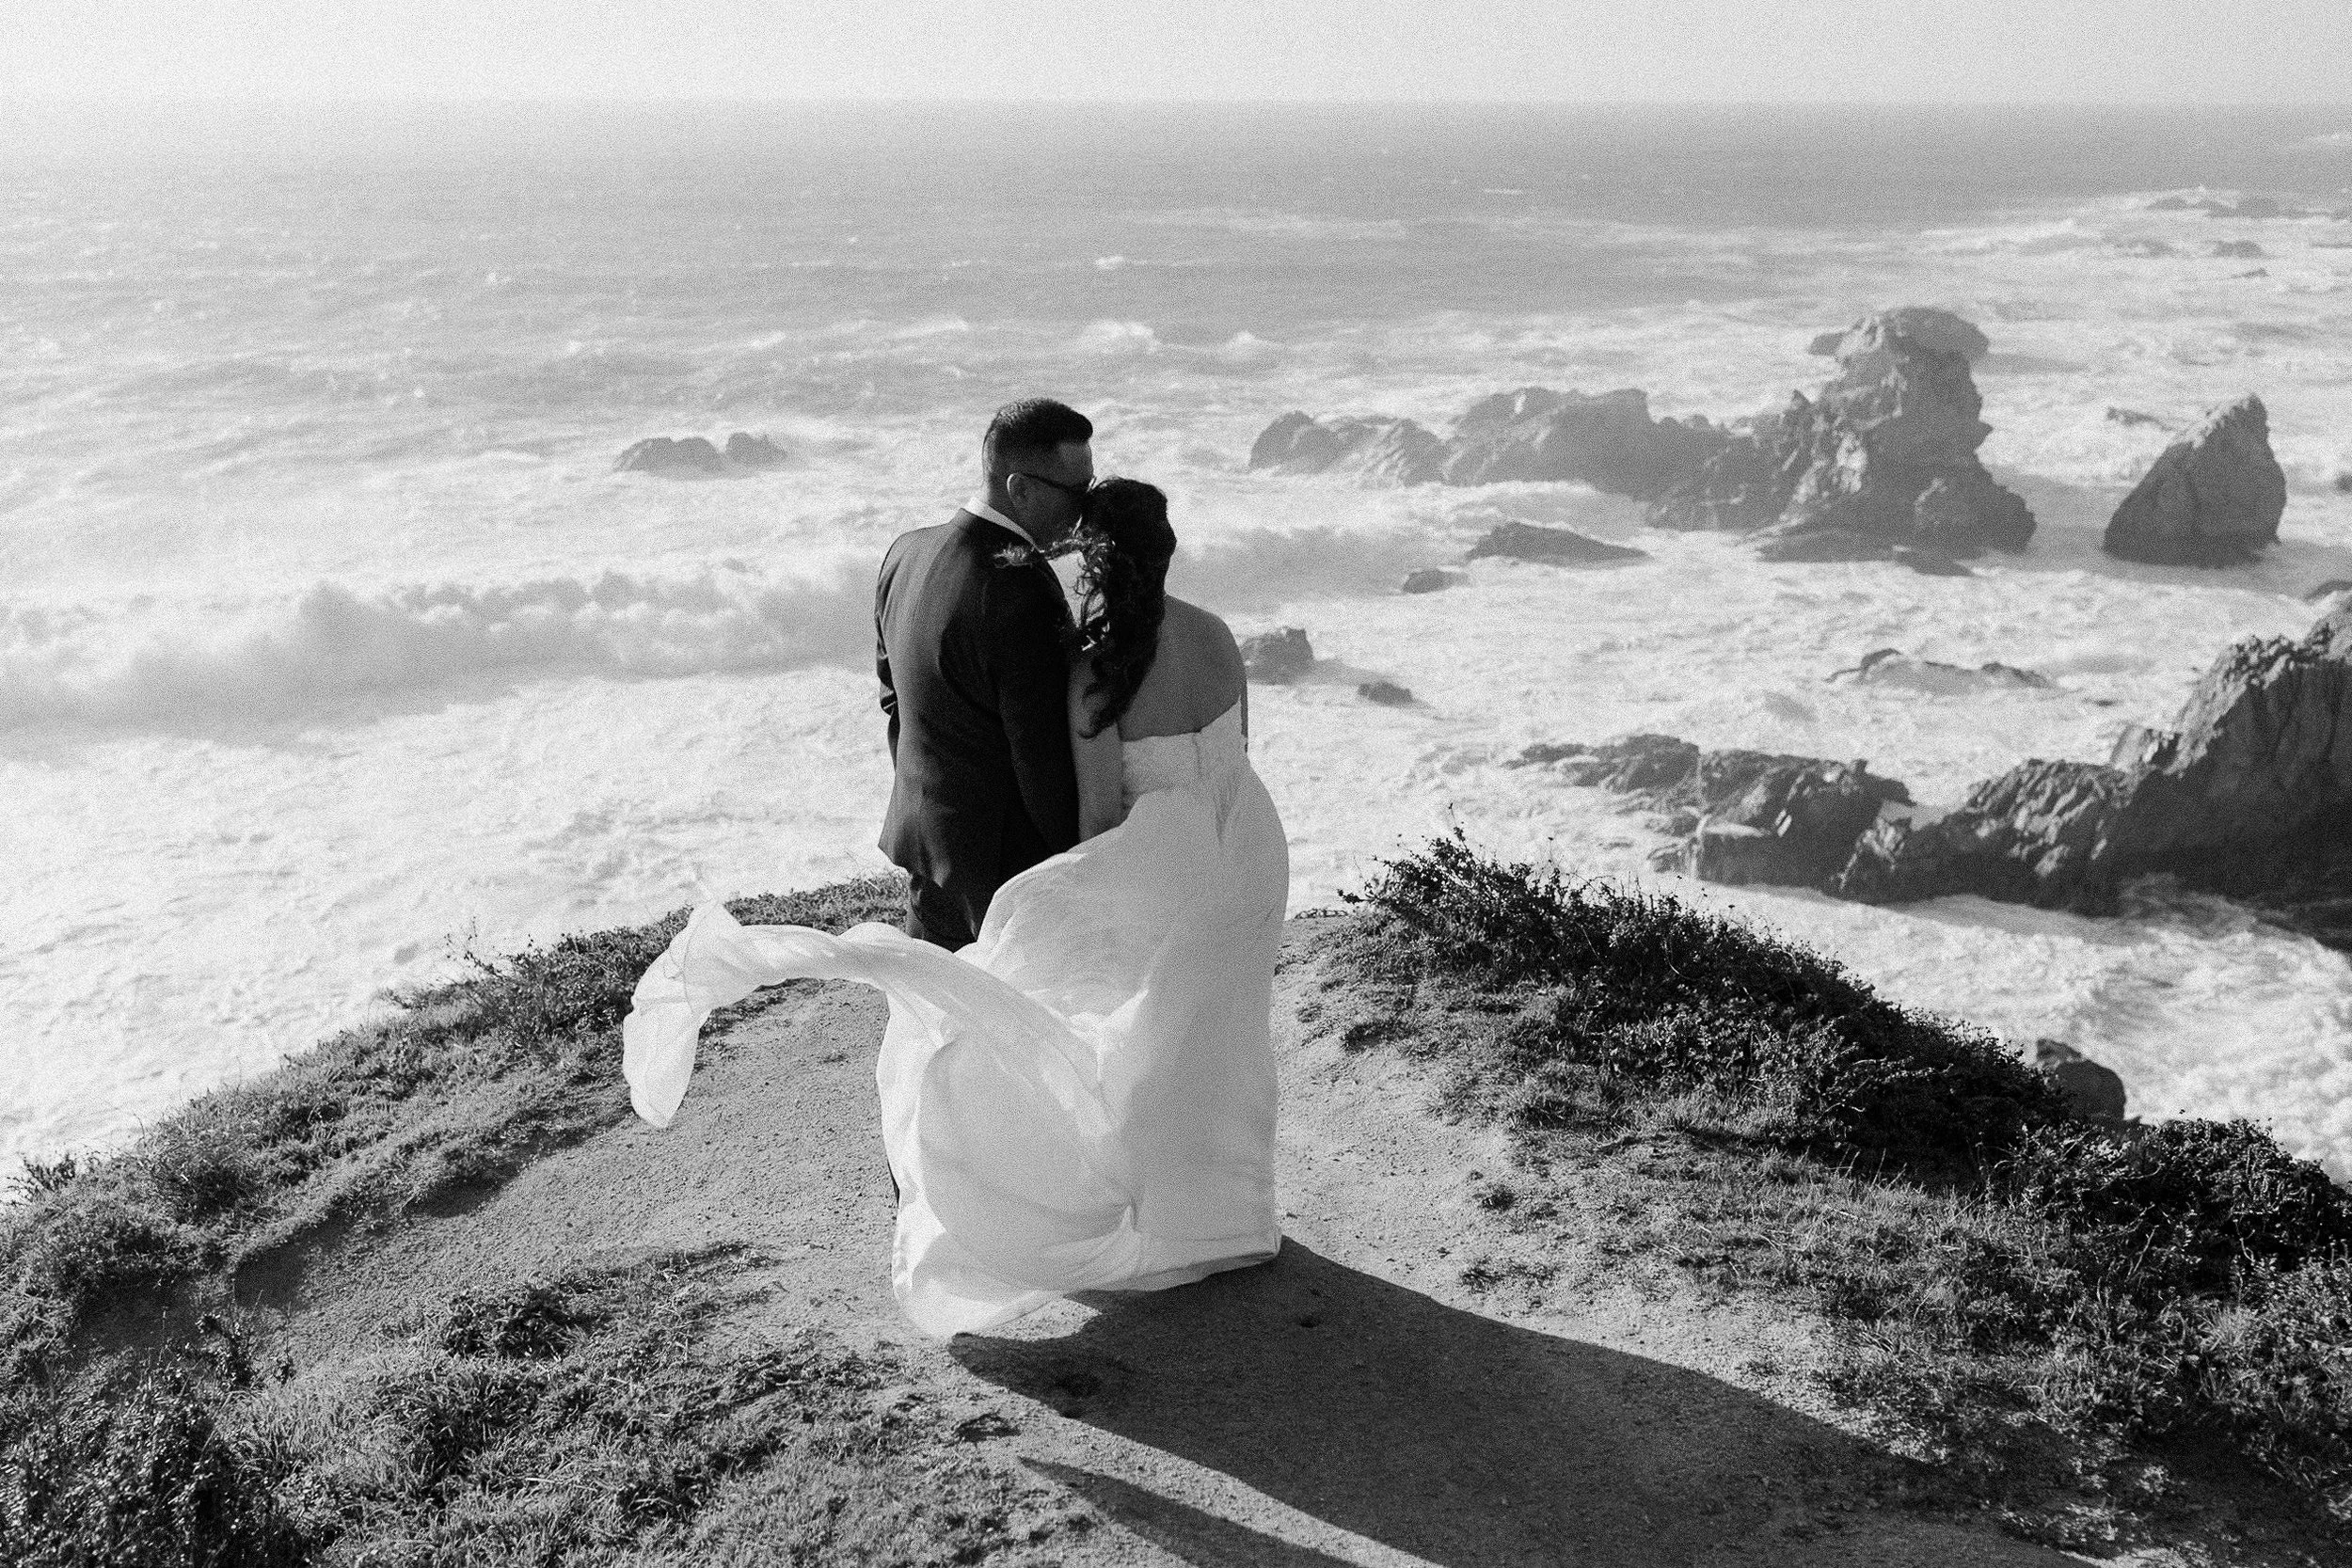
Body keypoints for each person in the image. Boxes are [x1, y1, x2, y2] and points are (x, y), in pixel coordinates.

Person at [620, 460, 1288, 1338]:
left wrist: (1068, 909)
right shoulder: (1220, 632)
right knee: (1221, 1032)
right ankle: (1233, 1217)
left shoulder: (1098, 671)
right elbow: (1239, 748)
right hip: (1245, 847)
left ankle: (1130, 1214)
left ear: (1095, 561)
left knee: (1114, 1039)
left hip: (1158, 864)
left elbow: (1094, 814)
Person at [874, 397, 1095, 950]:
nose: (1084, 514)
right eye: (1077, 494)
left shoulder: (905, 553)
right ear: (1019, 488)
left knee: (941, 1026)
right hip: (1003, 873)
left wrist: (935, 799)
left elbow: (895, 702)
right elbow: (1039, 755)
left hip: (927, 848)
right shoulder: (1019, 587)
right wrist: (1079, 864)